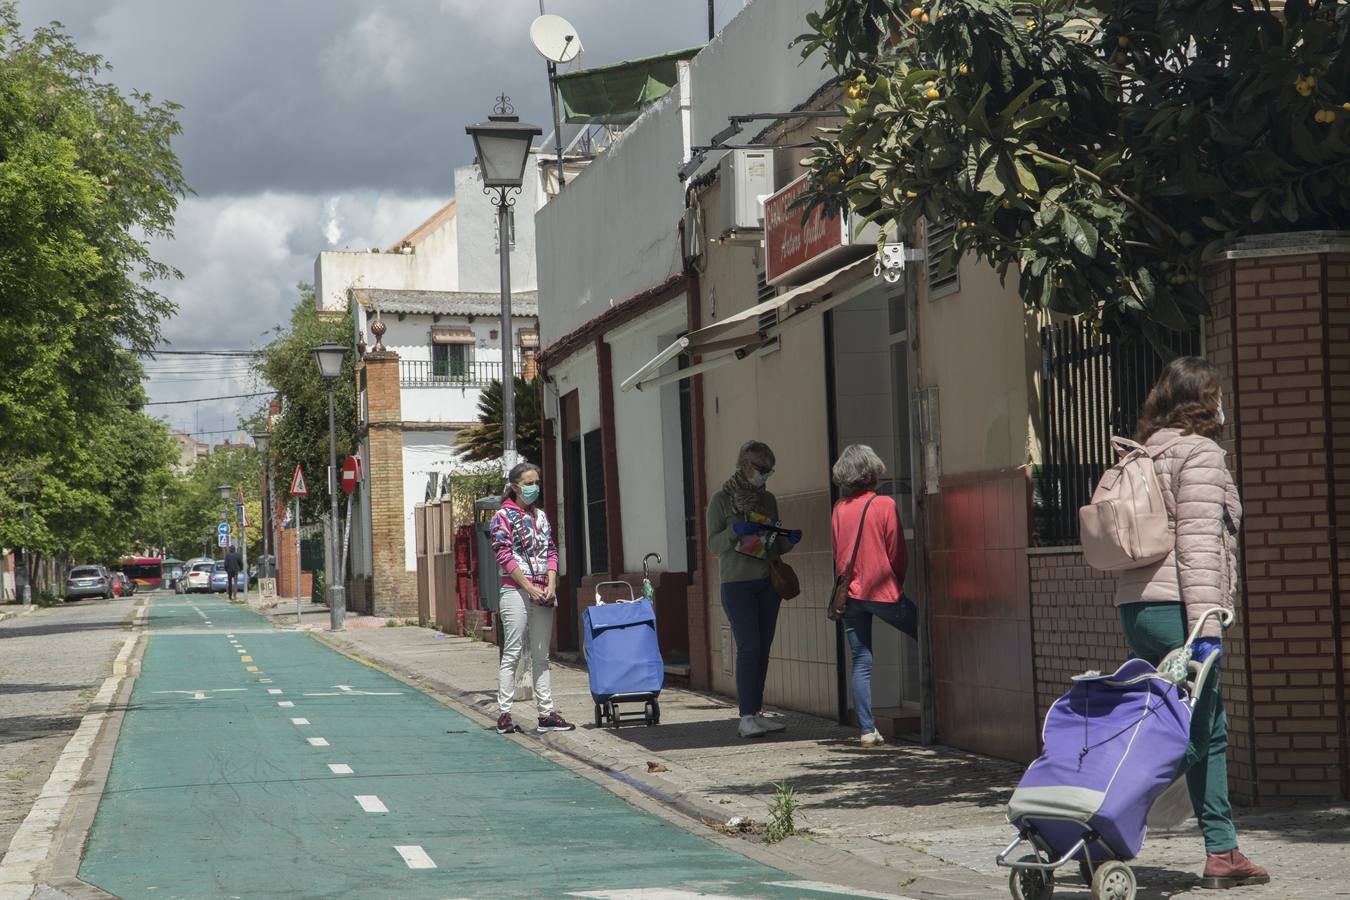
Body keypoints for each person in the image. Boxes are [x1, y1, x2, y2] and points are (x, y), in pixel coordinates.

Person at [1115, 356, 1269, 889]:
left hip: (1138, 608)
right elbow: (1199, 547)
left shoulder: (1147, 449)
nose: (1222, 402)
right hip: (1182, 610)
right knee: (1201, 731)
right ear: (1203, 399)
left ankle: (1106, 831)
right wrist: (1206, 633)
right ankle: (1218, 852)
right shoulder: (1199, 453)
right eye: (1217, 392)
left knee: (1162, 725)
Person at [706, 440, 801, 738]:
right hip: (737, 585)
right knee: (748, 647)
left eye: (769, 471)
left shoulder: (768, 500)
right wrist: (734, 532)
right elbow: (712, 545)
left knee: (763, 649)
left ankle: (756, 712)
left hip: (767, 583)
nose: (764, 476)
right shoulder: (721, 500)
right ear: (744, 465)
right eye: (761, 469)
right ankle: (745, 716)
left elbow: (772, 542)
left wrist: (789, 540)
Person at [830, 445, 916, 748]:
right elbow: (897, 552)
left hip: (850, 596)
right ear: (871, 472)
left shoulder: (839, 508)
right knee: (929, 637)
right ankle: (943, 714)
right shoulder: (885, 504)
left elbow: (840, 554)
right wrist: (896, 584)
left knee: (861, 661)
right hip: (883, 592)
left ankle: (867, 730)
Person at [489, 462, 574, 735]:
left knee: (542, 655)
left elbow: (550, 550)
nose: (533, 487)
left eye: (536, 482)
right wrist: (528, 587)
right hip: (515, 590)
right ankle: (504, 713)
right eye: (527, 483)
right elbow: (503, 555)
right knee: (513, 652)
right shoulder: (502, 517)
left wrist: (550, 582)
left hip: (543, 591)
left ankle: (546, 713)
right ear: (515, 486)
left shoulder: (541, 517)